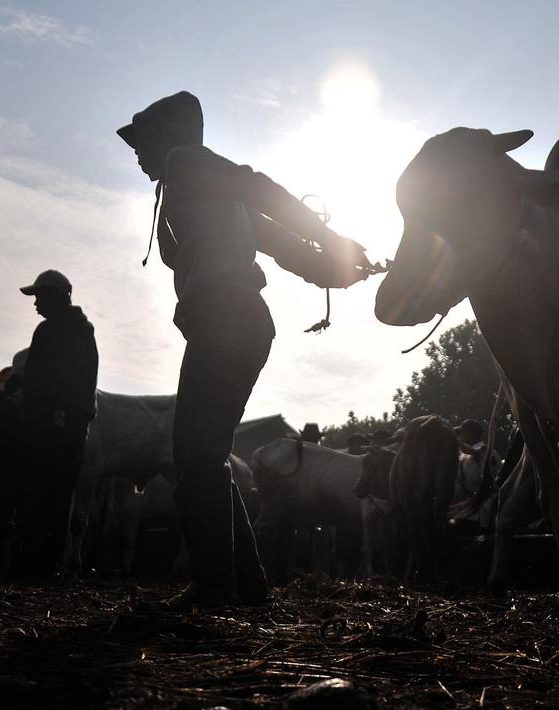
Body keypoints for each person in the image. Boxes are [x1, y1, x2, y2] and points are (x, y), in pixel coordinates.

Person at [118, 90, 374, 607]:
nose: (136, 152)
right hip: (239, 324)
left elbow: (259, 188)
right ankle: (246, 588)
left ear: (165, 135)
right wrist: (336, 268)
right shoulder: (206, 194)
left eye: (139, 140)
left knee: (194, 459)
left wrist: (333, 240)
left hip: (226, 321)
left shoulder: (183, 162)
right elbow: (285, 248)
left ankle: (216, 587)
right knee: (205, 457)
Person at [14, 270, 98, 577]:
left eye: (39, 296)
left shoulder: (52, 332)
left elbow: (50, 381)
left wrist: (53, 414)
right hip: (71, 427)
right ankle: (47, 564)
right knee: (59, 496)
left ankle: (32, 562)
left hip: (50, 426)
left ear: (57, 296)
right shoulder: (83, 332)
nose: (35, 303)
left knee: (37, 492)